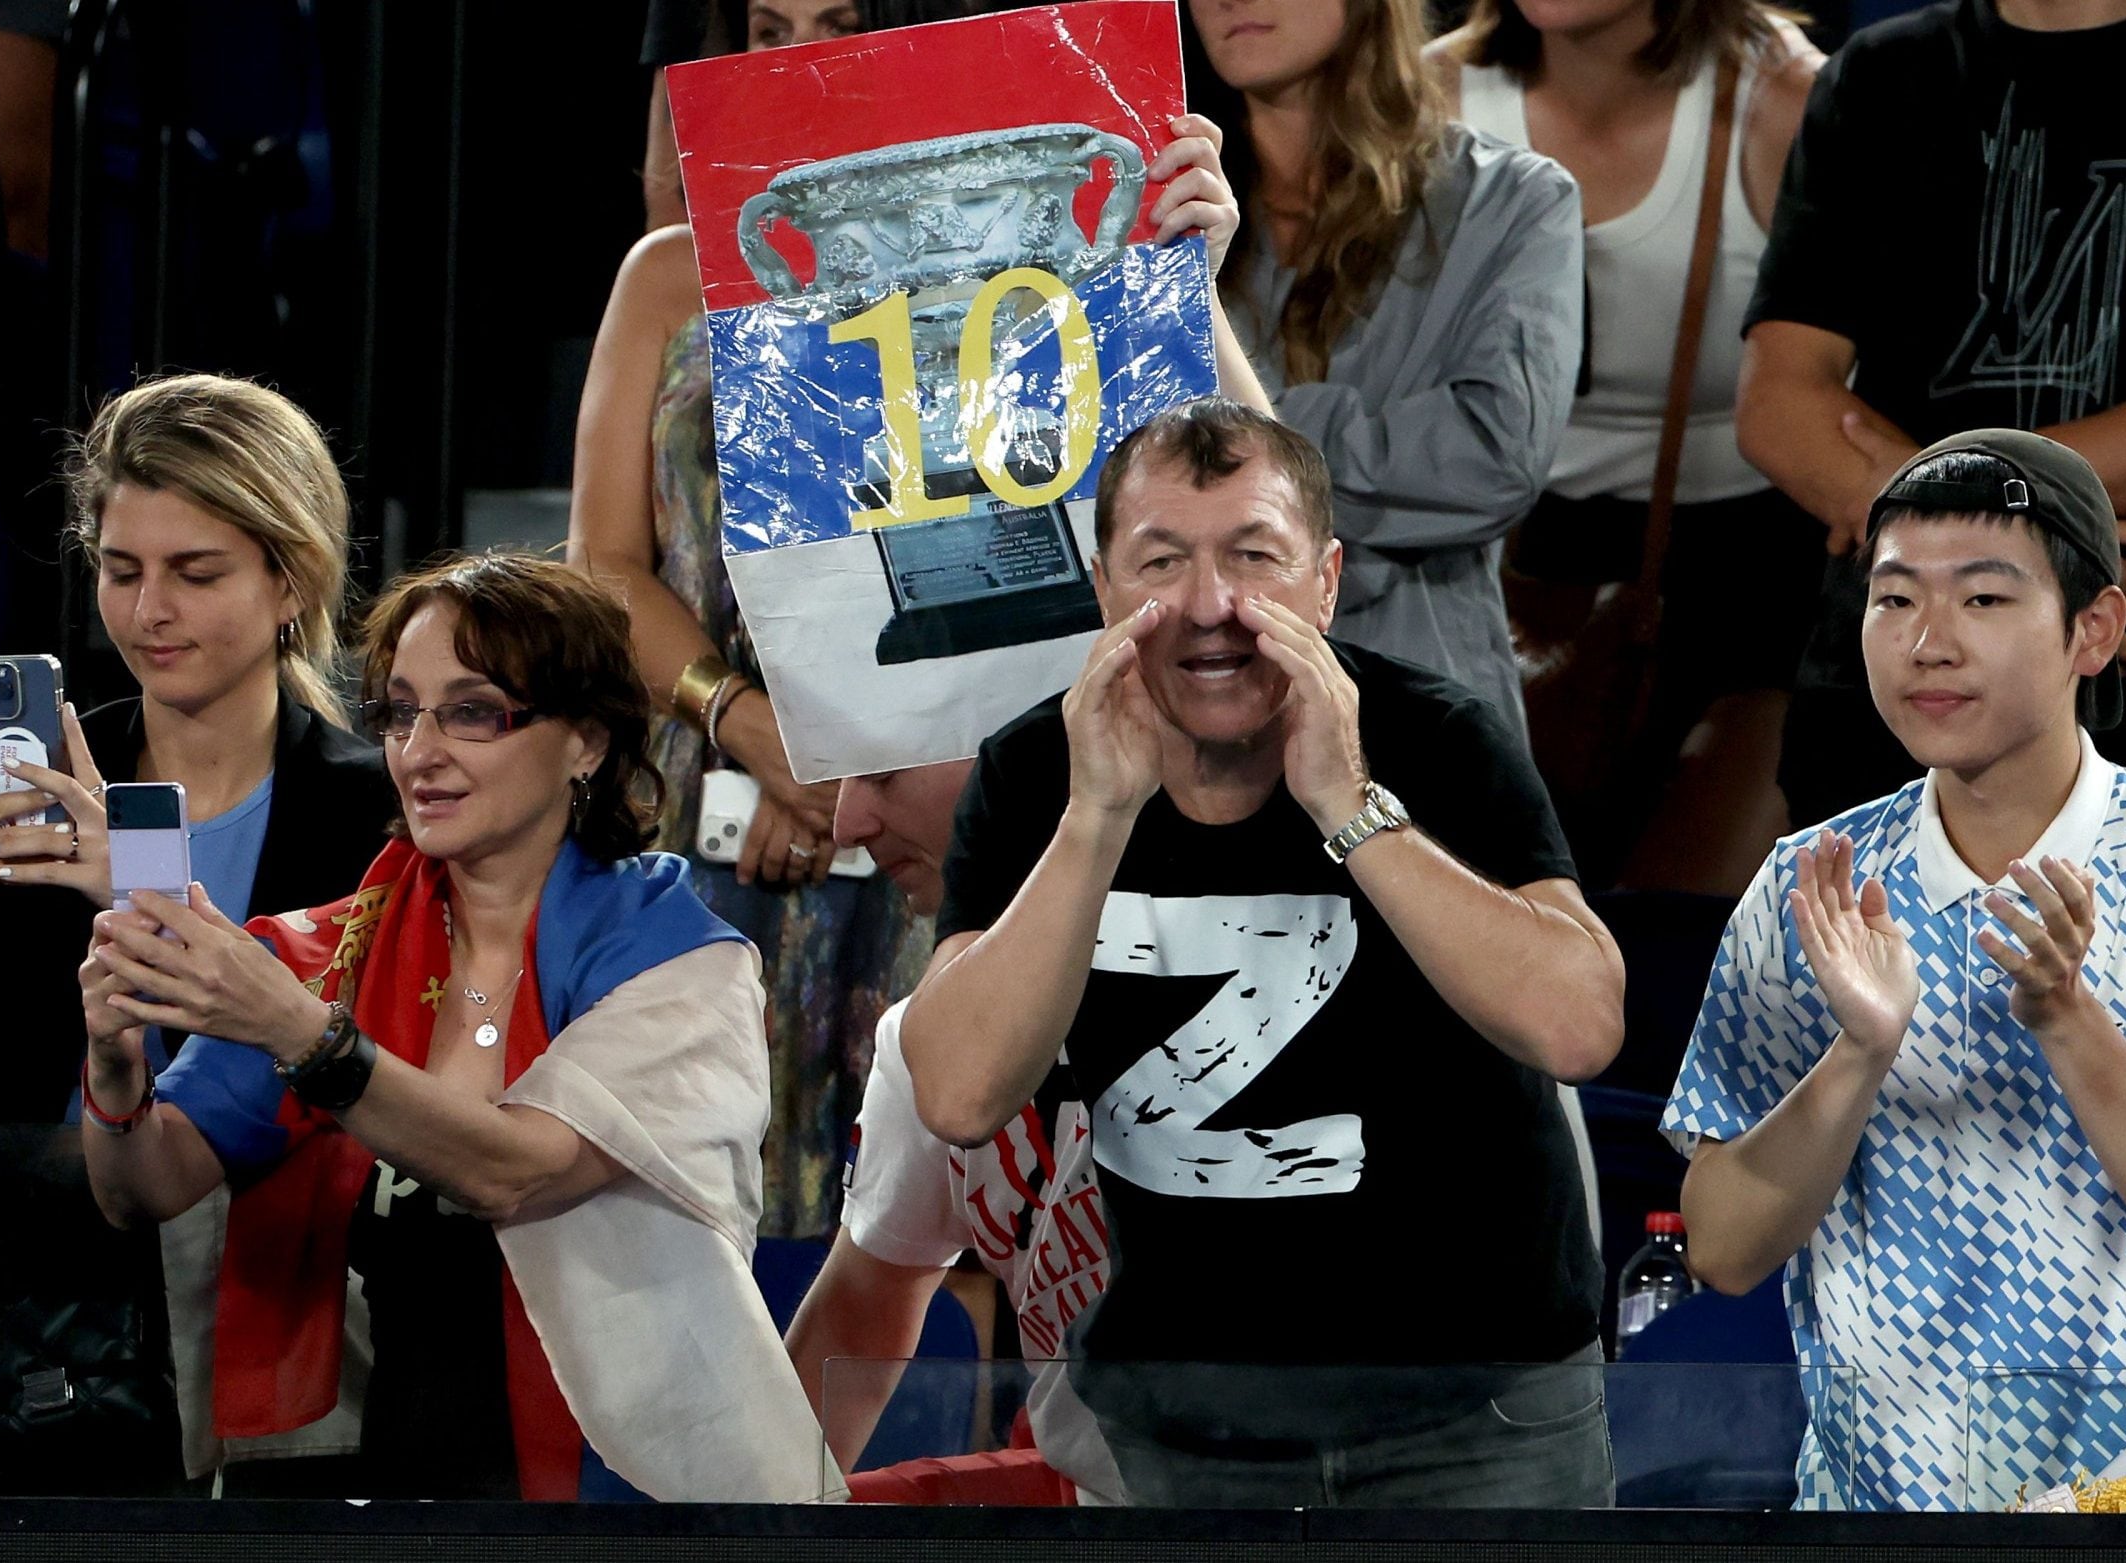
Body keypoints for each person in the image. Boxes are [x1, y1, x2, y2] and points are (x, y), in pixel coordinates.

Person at [572, 9, 1265, 1235]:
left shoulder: (1048, 256)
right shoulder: (663, 281)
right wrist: (749, 726)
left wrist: (1179, 289)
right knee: (716, 1211)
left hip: (975, 802)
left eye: (834, 25)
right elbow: (606, 569)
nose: (796, 57)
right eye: (765, 28)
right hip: (726, 817)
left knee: (980, 1206)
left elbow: (1241, 500)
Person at [901, 397, 1625, 1508]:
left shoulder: (1435, 738)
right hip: (1188, 1421)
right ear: (1102, 588)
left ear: (1325, 581)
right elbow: (957, 1092)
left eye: (1254, 558)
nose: (1208, 607)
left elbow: (1579, 1025)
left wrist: (1349, 804)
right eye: (1160, 562)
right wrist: (1095, 818)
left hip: (1474, 1411)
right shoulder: (1031, 776)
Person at [1663, 431, 2126, 1511]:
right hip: (1872, 1508)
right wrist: (1858, 1053)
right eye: (1893, 600)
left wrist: (2065, 1016)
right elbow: (1724, 1250)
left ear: (2091, 630)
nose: (1927, 643)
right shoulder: (1812, 884)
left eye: (1982, 600)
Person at [76, 552, 823, 1502]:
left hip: (643, 1507)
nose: (419, 750)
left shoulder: (681, 962)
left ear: (585, 740)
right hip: (401, 1505)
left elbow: (516, 1169)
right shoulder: (324, 957)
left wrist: (307, 1039)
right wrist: (115, 1064)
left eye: (472, 712)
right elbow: (149, 1184)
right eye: (399, 710)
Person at [0, 373, 392, 1496]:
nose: (149, 610)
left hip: (280, 1331)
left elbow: (343, 1085)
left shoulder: (374, 814)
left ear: (288, 578)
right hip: (44, 1352)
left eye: (195, 572)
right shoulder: (32, 791)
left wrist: (144, 894)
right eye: (122, 571)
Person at [1736, 0, 2126, 868]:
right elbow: (1780, 402)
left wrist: (1959, 516)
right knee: (1859, 1000)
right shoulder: (1878, 74)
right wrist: (2013, 552)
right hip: (1887, 712)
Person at [1430, 0, 1825, 892]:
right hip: (1490, 568)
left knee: (1688, 944)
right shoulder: (1428, 101)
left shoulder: (1786, 104)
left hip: (1753, 584)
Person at [1186, 0, 1585, 731]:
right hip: (1194, 702)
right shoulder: (1162, 215)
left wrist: (1252, 436)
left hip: (1418, 704)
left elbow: (1492, 456)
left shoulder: (1514, 202)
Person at [785, 756, 1124, 1503]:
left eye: (883, 773)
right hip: (1098, 1498)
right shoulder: (923, 1038)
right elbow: (857, 1314)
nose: (847, 823)